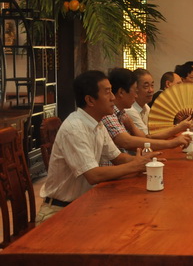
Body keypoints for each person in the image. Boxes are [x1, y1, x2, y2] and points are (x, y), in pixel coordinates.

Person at [36, 70, 160, 224]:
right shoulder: (75, 128)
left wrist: (145, 162)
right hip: (59, 211)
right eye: (107, 92)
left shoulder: (97, 123)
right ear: (90, 100)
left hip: (83, 204)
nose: (113, 97)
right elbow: (93, 175)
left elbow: (118, 157)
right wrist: (134, 166)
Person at [103, 68, 191, 155]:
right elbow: (126, 142)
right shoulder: (109, 114)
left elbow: (146, 136)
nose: (112, 97)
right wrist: (171, 142)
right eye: (107, 93)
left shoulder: (123, 112)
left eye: (152, 85)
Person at [126, 68, 193, 138]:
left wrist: (178, 123)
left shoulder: (145, 106)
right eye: (146, 86)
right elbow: (148, 137)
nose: (151, 90)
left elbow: (157, 129)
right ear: (135, 88)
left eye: (152, 85)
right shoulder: (130, 110)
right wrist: (178, 128)